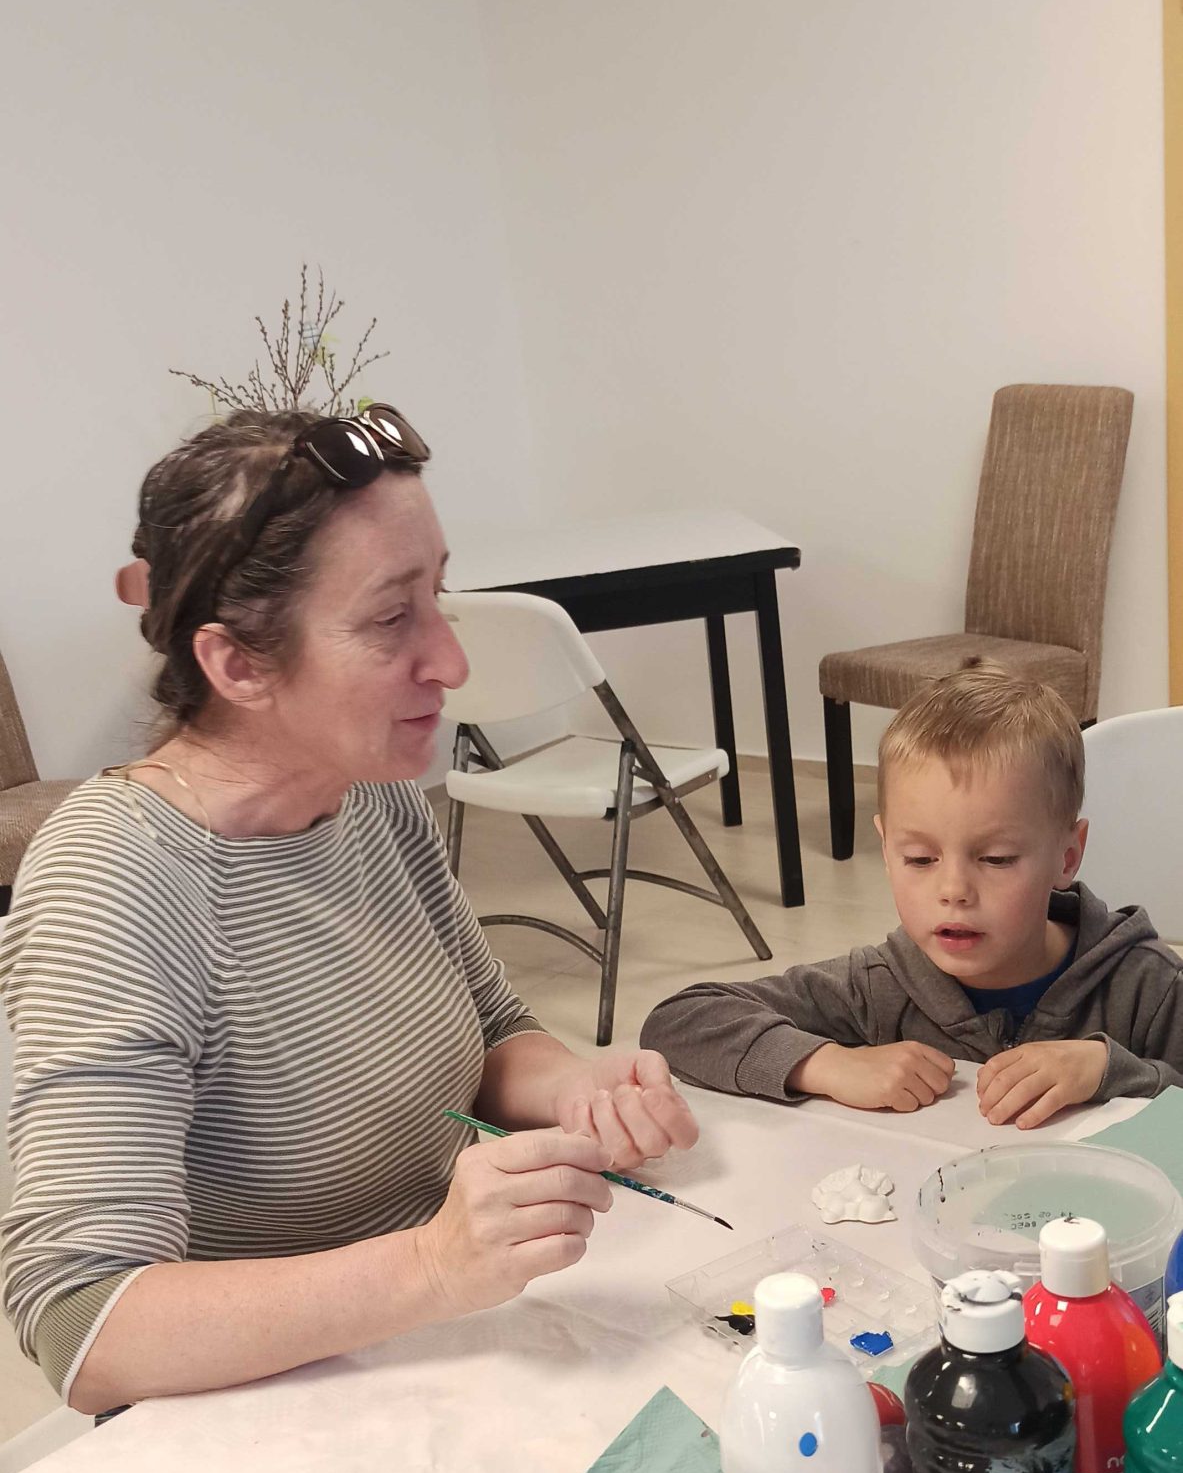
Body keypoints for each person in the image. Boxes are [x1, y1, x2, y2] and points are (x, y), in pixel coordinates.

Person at [2, 403, 696, 1414]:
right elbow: (81, 1323)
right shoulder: (117, 881)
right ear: (238, 664)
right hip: (260, 1409)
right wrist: (431, 1267)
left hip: (429, 1353)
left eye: (437, 596)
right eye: (388, 618)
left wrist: (576, 1088)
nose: (452, 662)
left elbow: (491, 1029)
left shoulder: (366, 791)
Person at [642, 667, 1183, 1127]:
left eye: (996, 859)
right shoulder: (876, 986)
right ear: (885, 849)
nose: (953, 891)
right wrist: (828, 1065)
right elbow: (681, 1022)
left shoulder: (1146, 984)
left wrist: (1111, 1073)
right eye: (920, 859)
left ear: (1067, 857)